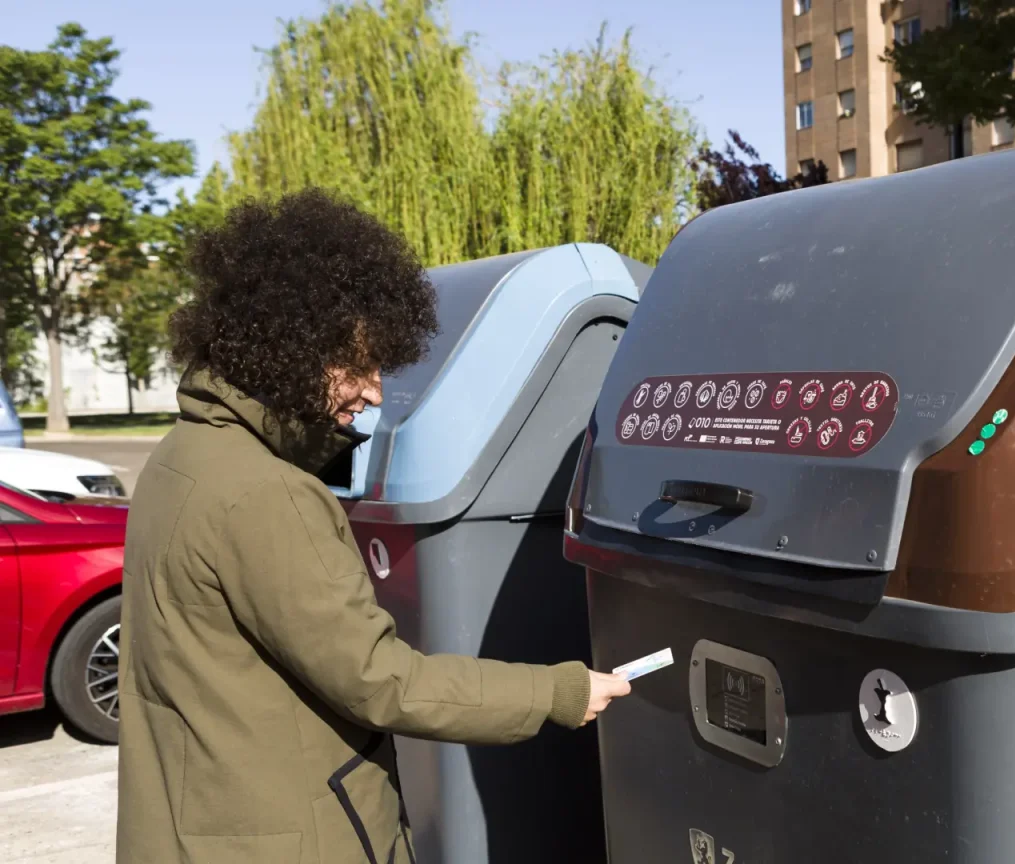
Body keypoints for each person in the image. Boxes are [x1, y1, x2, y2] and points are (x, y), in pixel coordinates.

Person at [115, 188, 631, 864]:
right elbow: (384, 682)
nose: (377, 391)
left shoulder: (185, 455)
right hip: (282, 837)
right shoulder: (266, 496)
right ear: (289, 351)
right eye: (356, 364)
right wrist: (560, 692)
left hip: (198, 821)